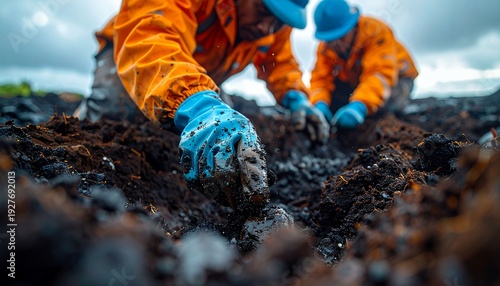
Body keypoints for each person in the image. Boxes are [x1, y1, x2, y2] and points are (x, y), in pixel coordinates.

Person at [73, 0, 330, 212]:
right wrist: (196, 104)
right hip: (137, 52)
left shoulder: (272, 23)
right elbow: (152, 34)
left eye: (279, 21)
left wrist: (297, 98)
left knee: (229, 139)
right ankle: (71, 138)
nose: (267, 27)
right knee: (111, 113)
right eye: (263, 11)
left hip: (201, 78)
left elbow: (280, 63)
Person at [309, 0, 419, 130]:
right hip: (356, 81)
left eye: (341, 37)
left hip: (396, 79)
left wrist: (360, 106)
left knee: (385, 106)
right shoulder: (326, 47)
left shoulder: (375, 31)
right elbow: (320, 78)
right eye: (330, 40)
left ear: (353, 25)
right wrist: (319, 102)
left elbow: (380, 75)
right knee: (333, 102)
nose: (336, 45)